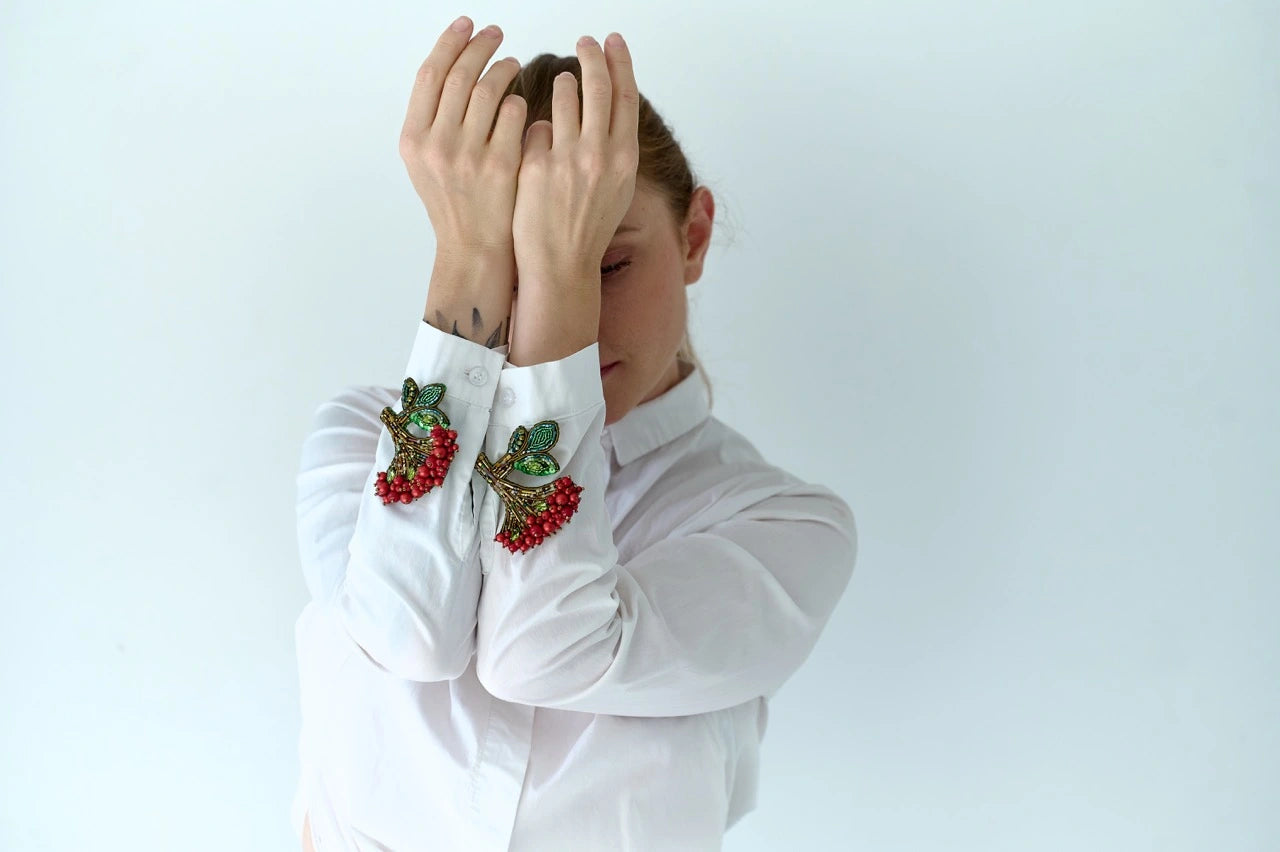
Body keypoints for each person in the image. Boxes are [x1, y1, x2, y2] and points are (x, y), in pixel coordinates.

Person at [292, 16, 858, 851]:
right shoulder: (357, 440)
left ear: (693, 236)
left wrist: (550, 284)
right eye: (505, 273)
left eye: (607, 264)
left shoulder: (783, 529)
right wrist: (464, 256)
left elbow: (544, 653)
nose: (569, 321)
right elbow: (402, 633)